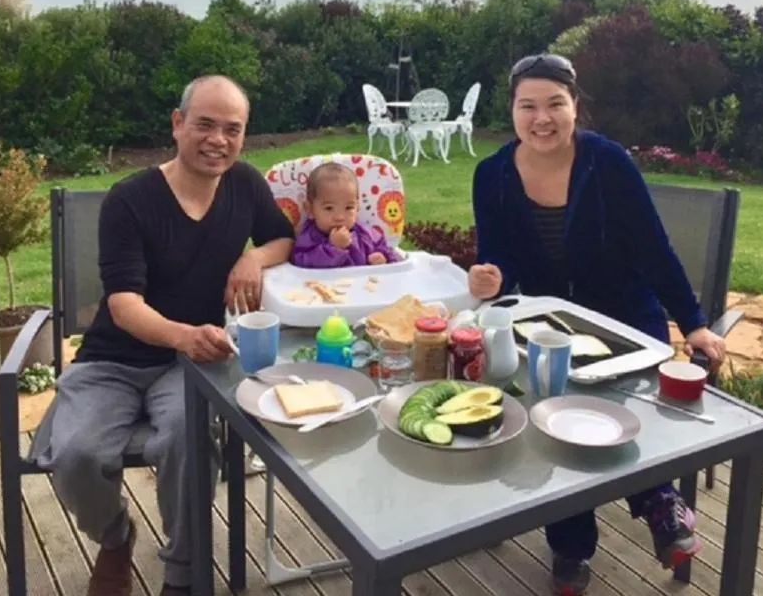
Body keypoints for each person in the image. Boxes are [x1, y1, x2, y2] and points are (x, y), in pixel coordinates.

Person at [466, 54, 727, 596]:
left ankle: (655, 502)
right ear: (511, 111)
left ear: (575, 107)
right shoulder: (491, 174)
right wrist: (492, 278)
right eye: (528, 105)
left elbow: (654, 249)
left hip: (627, 315)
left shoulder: (607, 163)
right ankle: (574, 542)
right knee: (548, 405)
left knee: (623, 398)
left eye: (555, 104)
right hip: (546, 323)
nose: (542, 118)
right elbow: (499, 257)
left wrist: (694, 323)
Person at [30, 75, 295, 596]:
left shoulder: (245, 184)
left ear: (243, 137)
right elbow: (124, 306)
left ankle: (184, 571)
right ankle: (114, 538)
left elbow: (282, 237)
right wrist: (184, 336)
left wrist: (251, 256)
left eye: (232, 129)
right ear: (177, 125)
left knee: (189, 441)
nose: (218, 139)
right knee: (78, 455)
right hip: (113, 359)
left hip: (189, 366)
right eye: (204, 124)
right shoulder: (130, 200)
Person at [291, 161, 402, 268]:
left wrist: (383, 257)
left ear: (357, 207)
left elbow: (388, 250)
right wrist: (333, 248)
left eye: (348, 208)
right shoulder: (309, 238)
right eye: (329, 208)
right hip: (322, 286)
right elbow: (301, 261)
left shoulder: (366, 235)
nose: (340, 217)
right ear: (310, 210)